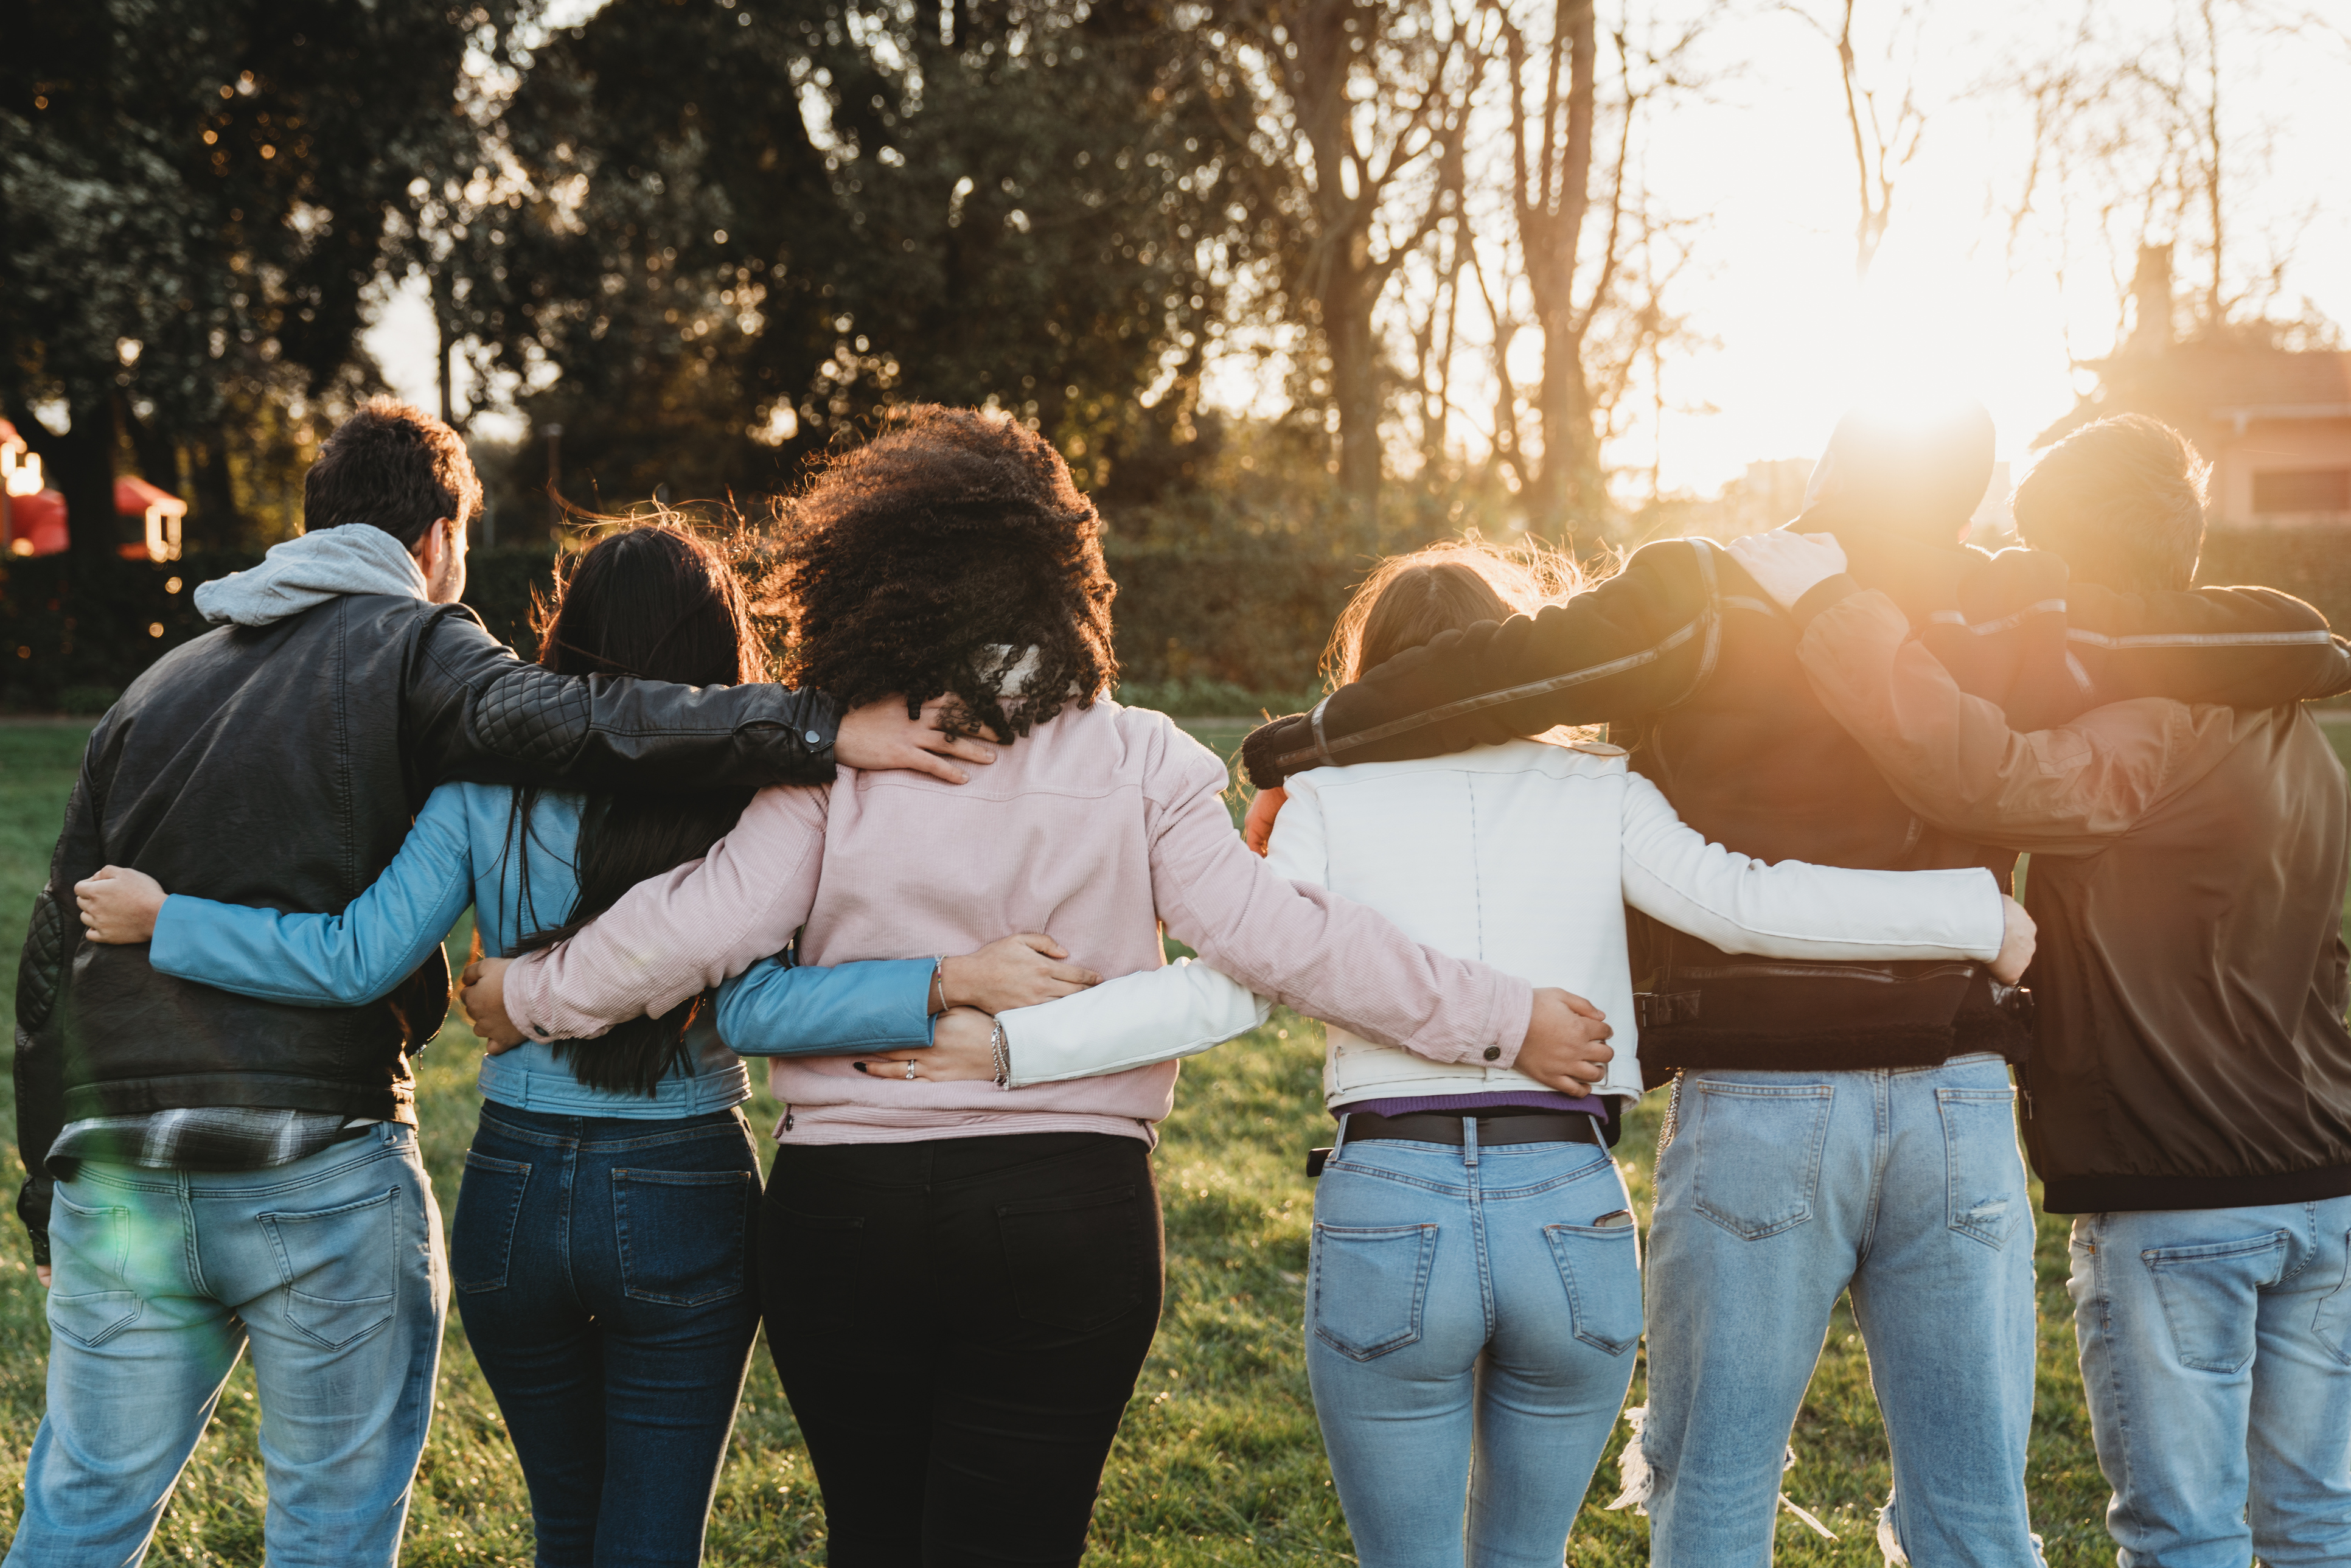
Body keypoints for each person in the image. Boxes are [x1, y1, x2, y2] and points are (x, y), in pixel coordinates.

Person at [455, 404, 1617, 1567]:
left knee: (874, 1540)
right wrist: (1504, 1016)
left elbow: (692, 926)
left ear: (878, 578)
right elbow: (1282, 937)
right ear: (1072, 579)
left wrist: (531, 995)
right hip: (1067, 1217)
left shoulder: (842, 759)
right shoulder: (1144, 758)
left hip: (846, 1219)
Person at [1234, 400, 2351, 1566]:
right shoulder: (2015, 605)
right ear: (1969, 494)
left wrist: (1302, 745)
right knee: (1976, 1515)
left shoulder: (1711, 587)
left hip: (1764, 1097)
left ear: (1829, 467)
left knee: (1715, 1493)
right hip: (1960, 1100)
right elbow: (2175, 633)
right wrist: (2314, 650)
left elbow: (1499, 671)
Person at [835, 538, 2036, 1568]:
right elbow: (1753, 904)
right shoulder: (1600, 789)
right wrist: (1976, 915)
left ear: (1373, 672)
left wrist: (1007, 1047)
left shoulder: (1324, 802)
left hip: (1389, 1205)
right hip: (1568, 1207)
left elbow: (1222, 995)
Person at [6, 400, 992, 1568]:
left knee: (91, 1514)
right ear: (437, 539)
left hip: (445, 1190)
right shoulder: (697, 777)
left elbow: (68, 961)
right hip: (611, 1178)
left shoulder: (174, 693)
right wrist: (924, 950)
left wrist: (46, 1172)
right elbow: (730, 966)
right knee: (431, 1530)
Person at [1726, 414, 2351, 1568]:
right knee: (2318, 1524)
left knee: (2186, 1534)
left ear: (2080, 565)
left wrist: (1827, 612)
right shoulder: (2294, 730)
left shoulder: (2155, 730)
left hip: (2183, 1195)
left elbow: (1982, 769)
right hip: (2323, 1189)